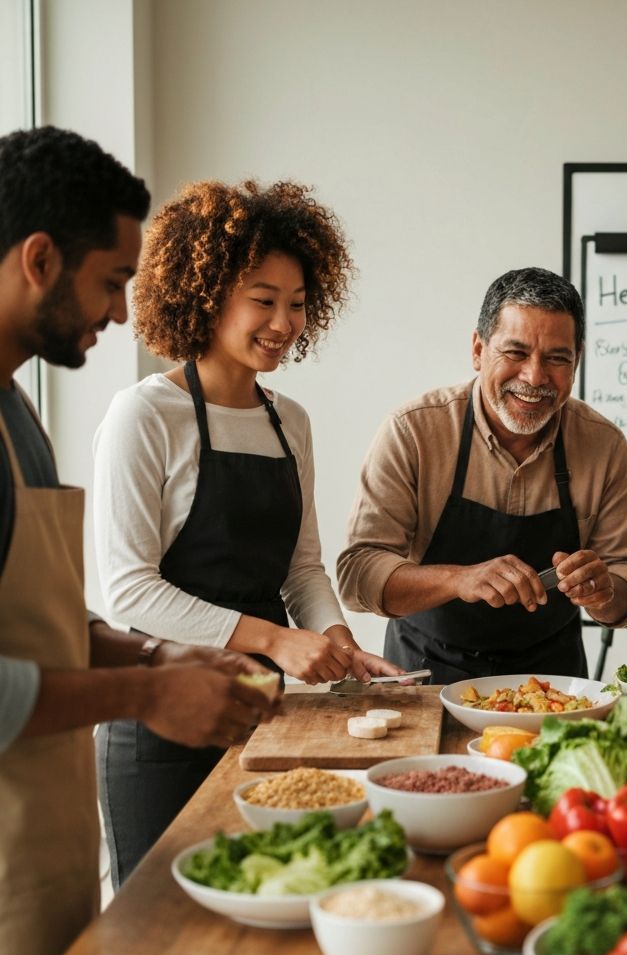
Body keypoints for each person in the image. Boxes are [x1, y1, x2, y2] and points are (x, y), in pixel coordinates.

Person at [0, 128, 277, 955]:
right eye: (113, 280)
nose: (123, 312)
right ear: (40, 258)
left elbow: (45, 624)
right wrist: (141, 696)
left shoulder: (17, 415)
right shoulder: (136, 413)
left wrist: (158, 661)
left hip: (44, 841)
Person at [92, 179, 402, 888]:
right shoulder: (145, 416)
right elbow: (128, 591)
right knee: (155, 928)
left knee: (265, 899)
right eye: (263, 299)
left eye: (297, 304)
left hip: (268, 713)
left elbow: (302, 570)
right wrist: (273, 639)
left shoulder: (289, 420)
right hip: (159, 718)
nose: (285, 322)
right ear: (206, 292)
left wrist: (340, 645)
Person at [337, 267, 627, 684]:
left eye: (557, 358)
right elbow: (359, 573)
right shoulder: (414, 432)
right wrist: (459, 579)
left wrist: (605, 591)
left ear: (577, 361)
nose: (535, 377)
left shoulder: (603, 445)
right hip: (425, 675)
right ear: (477, 349)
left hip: (551, 685)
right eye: (516, 353)